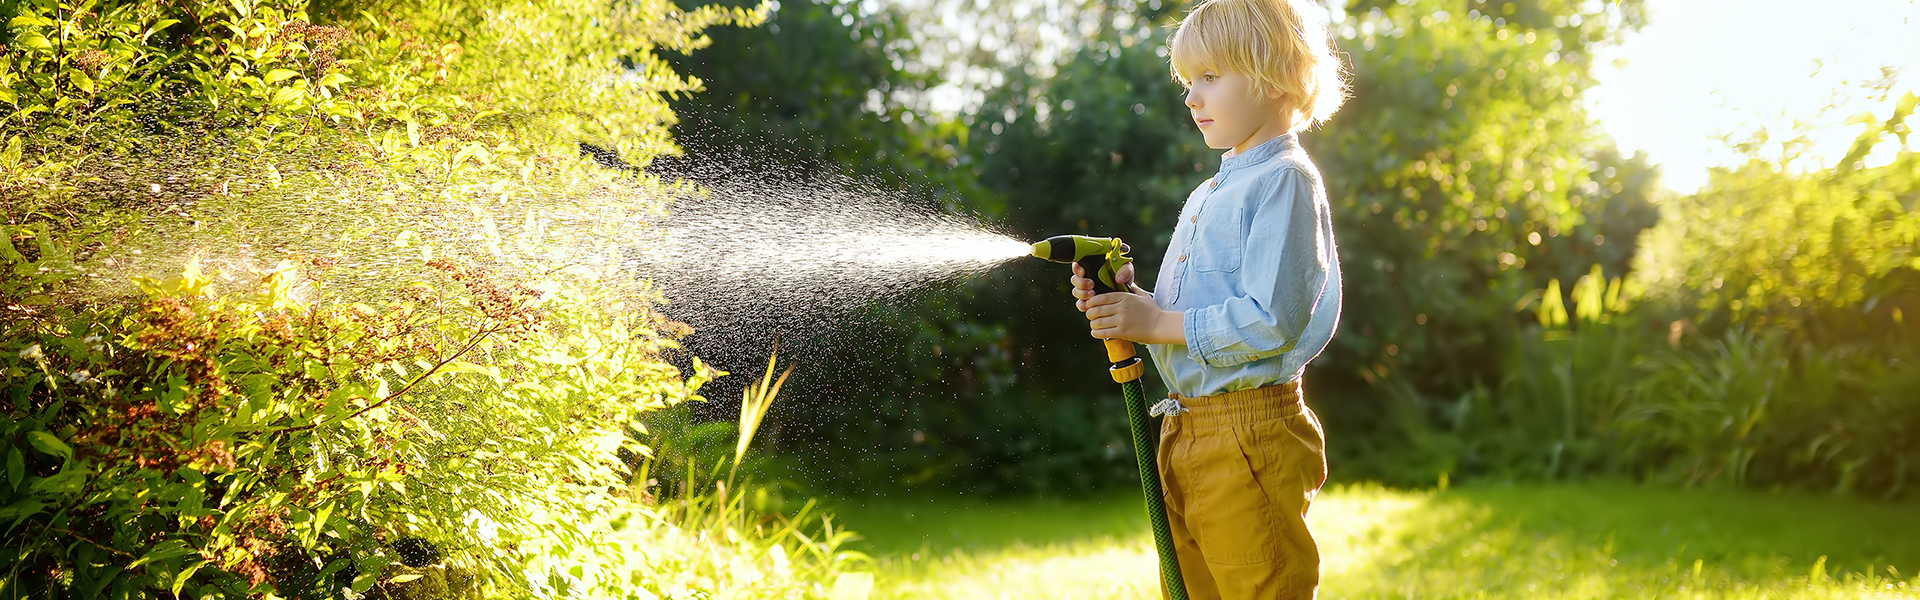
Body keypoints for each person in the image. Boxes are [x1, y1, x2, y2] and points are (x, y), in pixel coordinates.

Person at [1069, 0, 1346, 597]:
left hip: (1249, 434)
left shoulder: (1284, 180)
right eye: (1188, 82)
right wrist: (1132, 305)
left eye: (1210, 78)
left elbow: (1272, 320)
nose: (1192, 98)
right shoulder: (1211, 191)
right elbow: (1191, 309)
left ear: (1276, 77)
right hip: (1186, 428)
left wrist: (1159, 321)